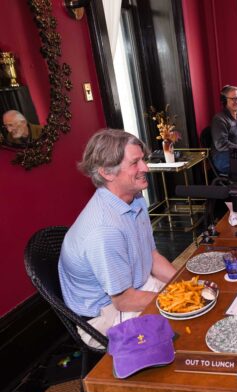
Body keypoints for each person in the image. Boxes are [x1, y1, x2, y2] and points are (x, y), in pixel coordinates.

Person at [58, 129, 177, 349]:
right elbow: (123, 301)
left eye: (143, 159)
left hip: (136, 287)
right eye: (135, 163)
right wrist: (176, 300)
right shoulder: (104, 230)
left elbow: (152, 256)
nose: (145, 168)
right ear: (107, 173)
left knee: (202, 304)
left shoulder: (134, 198)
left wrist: (183, 285)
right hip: (105, 316)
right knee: (184, 331)